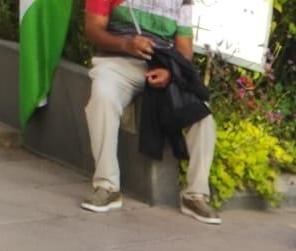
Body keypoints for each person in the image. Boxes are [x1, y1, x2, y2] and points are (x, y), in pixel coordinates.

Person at [79, 0, 218, 221]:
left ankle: (195, 195)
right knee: (103, 95)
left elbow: (184, 49)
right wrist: (126, 45)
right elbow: (93, 29)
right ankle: (107, 185)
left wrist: (170, 73)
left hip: (161, 66)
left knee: (202, 114)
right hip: (118, 62)